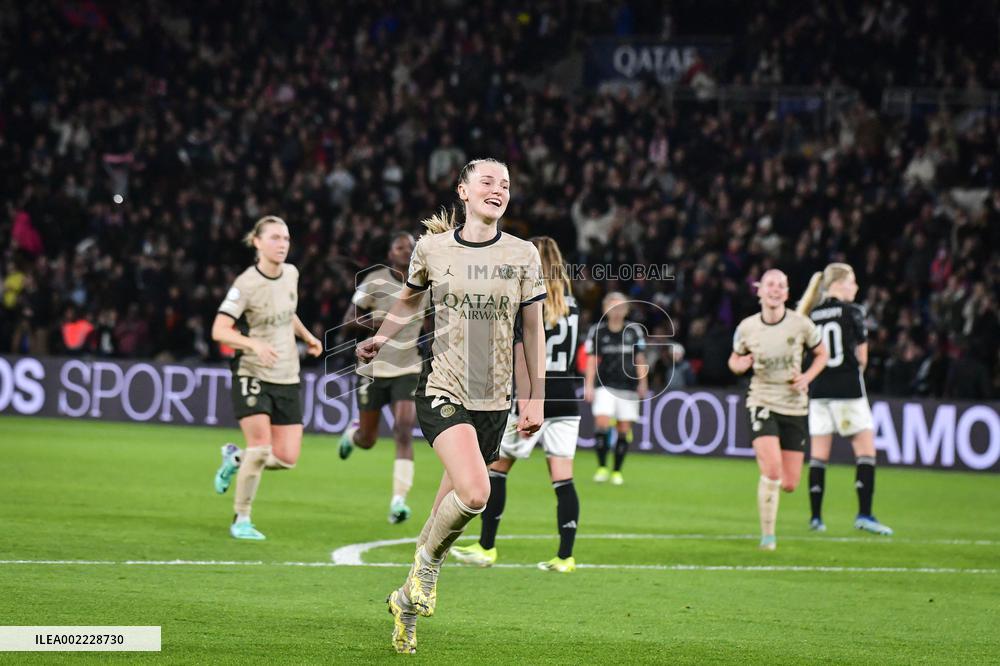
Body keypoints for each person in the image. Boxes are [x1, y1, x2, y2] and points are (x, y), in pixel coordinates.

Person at [356, 158, 546, 654]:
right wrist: (382, 337)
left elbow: (532, 331)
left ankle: (405, 602)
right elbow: (408, 299)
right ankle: (427, 571)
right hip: (442, 387)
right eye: (488, 181)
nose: (498, 189)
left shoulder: (523, 254)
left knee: (444, 514)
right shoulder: (433, 248)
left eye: (505, 184)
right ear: (463, 191)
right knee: (477, 493)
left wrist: (534, 397)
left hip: (494, 400)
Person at [452, 236, 582, 573]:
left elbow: (523, 350)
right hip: (566, 395)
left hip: (534, 393)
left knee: (497, 469)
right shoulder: (572, 304)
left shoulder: (529, 299)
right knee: (563, 479)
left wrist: (525, 400)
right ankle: (565, 557)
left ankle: (486, 547)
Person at [210, 216, 323, 540]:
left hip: (286, 373)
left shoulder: (291, 273)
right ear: (257, 242)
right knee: (260, 449)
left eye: (285, 238)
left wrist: (307, 336)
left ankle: (235, 459)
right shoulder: (245, 284)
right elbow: (219, 330)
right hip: (253, 371)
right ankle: (241, 519)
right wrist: (253, 345)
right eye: (274, 238)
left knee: (286, 459)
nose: (282, 244)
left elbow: (287, 313)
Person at [728, 269, 828, 551]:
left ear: (786, 293)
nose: (775, 289)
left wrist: (807, 377)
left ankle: (770, 490)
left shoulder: (801, 325)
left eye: (781, 285)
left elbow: (823, 354)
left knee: (789, 483)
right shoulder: (747, 327)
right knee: (772, 471)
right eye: (770, 284)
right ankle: (768, 537)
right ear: (759, 290)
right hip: (762, 401)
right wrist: (739, 365)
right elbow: (734, 359)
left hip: (794, 405)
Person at [798, 264, 893, 535]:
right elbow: (862, 358)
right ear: (838, 284)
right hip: (848, 390)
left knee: (818, 456)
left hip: (818, 391)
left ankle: (816, 518)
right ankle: (864, 515)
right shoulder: (853, 311)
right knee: (865, 452)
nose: (856, 287)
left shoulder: (811, 314)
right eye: (852, 281)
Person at [339, 232, 428, 524]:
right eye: (399, 247)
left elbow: (430, 321)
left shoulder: (425, 281)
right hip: (374, 368)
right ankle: (354, 434)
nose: (406, 250)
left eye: (410, 246)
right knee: (368, 440)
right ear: (390, 253)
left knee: (403, 430)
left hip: (408, 367)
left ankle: (398, 501)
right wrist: (375, 322)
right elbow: (348, 321)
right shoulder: (374, 280)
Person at [584, 292, 648, 485]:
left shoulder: (634, 331)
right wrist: (588, 385)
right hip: (604, 385)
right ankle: (602, 467)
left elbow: (640, 359)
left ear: (627, 310)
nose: (617, 311)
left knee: (623, 429)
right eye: (613, 307)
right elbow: (592, 360)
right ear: (605, 309)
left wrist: (643, 382)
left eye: (621, 307)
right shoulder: (598, 331)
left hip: (628, 387)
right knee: (602, 423)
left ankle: (617, 471)